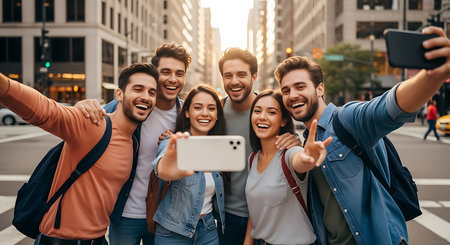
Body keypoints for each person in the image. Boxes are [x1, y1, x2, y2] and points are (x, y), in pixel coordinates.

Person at [274, 26, 450, 245]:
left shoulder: (347, 119)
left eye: (300, 86)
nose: (293, 95)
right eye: (286, 90)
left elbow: (388, 107)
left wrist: (432, 77)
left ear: (320, 89)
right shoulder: (303, 144)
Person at [0, 63, 158, 244]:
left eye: (151, 93)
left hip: (98, 240)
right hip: (60, 240)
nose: (145, 97)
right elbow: (46, 111)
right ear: (119, 95)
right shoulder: (94, 124)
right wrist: (5, 86)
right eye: (138, 89)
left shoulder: (133, 143)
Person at [75, 43, 191, 245]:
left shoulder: (186, 115)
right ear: (155, 74)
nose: (173, 79)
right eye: (166, 72)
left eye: (179, 73)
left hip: (164, 216)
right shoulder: (130, 105)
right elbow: (91, 117)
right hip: (125, 214)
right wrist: (83, 106)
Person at [217, 48, 300, 244]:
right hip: (223, 217)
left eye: (241, 74)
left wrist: (295, 143)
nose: (234, 81)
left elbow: (295, 157)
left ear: (254, 76)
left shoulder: (272, 112)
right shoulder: (214, 112)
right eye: (228, 75)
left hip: (267, 218)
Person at [243, 90, 332, 245]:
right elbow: (256, 208)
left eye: (271, 112)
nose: (262, 117)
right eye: (257, 111)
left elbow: (300, 161)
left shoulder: (291, 153)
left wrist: (307, 157)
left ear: (283, 121)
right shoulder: (253, 158)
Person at [151, 84, 227, 244]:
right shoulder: (173, 142)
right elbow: (162, 169)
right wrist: (171, 169)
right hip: (173, 231)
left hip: (208, 229)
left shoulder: (220, 148)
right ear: (187, 112)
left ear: (218, 115)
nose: (205, 113)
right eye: (198, 107)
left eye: (211, 108)